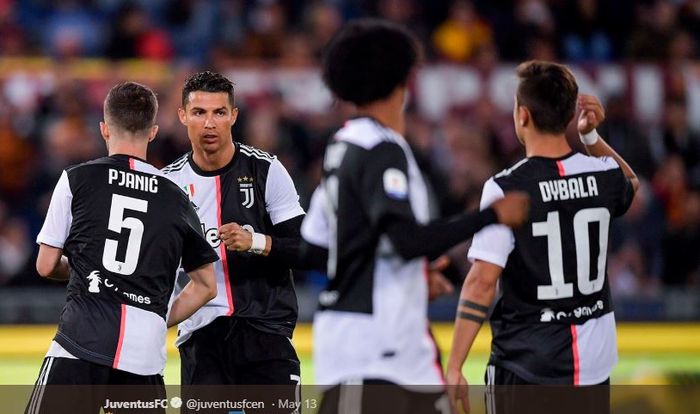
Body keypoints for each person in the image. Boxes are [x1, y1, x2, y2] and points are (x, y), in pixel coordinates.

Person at [299, 19, 529, 414]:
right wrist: (491, 216)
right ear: (400, 81)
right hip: (374, 351)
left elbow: (316, 249)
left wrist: (410, 278)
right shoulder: (381, 149)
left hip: (388, 350)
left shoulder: (342, 149)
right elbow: (407, 241)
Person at [446, 61, 639, 413]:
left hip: (526, 365)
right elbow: (631, 184)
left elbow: (481, 282)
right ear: (569, 115)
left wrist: (456, 365)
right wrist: (591, 139)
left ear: (522, 116)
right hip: (591, 369)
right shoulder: (603, 173)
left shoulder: (507, 188)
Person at [27, 82, 219, 414]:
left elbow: (46, 265)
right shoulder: (178, 199)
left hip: (80, 342)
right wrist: (158, 317)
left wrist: (83, 268)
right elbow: (205, 286)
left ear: (104, 128)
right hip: (143, 356)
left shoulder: (76, 180)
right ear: (153, 131)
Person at [162, 71, 306, 388]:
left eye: (219, 112)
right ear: (182, 116)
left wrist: (256, 242)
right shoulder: (166, 185)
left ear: (234, 116)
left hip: (266, 332)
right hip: (201, 338)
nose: (209, 123)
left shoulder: (266, 169)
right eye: (199, 113)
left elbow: (305, 250)